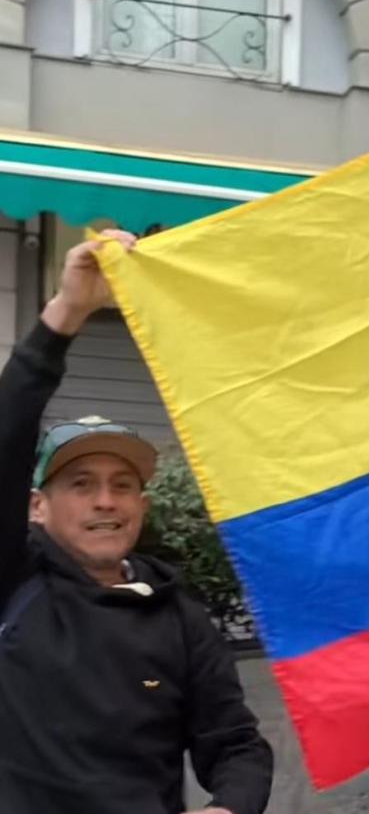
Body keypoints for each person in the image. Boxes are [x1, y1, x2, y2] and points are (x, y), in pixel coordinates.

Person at [0, 231, 273, 814]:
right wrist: (67, 311)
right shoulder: (15, 582)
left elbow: (236, 745)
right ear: (36, 506)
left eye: (122, 485)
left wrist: (229, 806)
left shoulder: (180, 618)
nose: (106, 501)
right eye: (81, 484)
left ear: (141, 507)